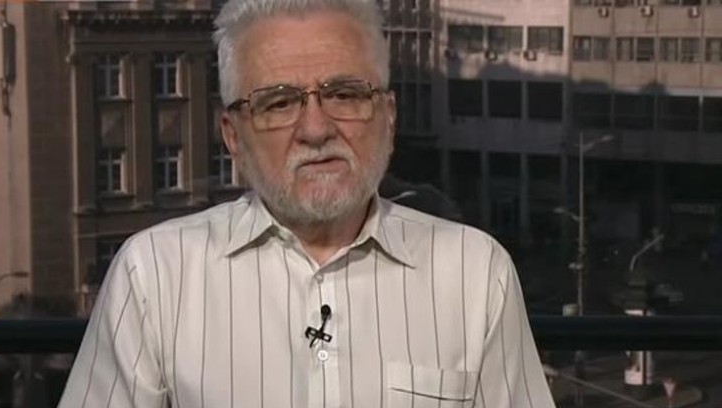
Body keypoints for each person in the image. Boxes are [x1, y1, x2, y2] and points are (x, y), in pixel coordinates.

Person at [58, 0, 556, 406]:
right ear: (233, 136)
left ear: (388, 116)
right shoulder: (153, 276)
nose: (316, 129)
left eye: (344, 94)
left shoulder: (475, 273)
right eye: (278, 103)